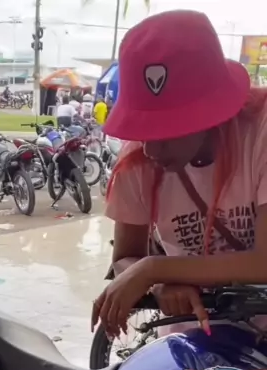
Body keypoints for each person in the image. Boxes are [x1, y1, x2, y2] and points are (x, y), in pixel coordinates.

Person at [92, 9, 267, 341]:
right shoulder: (136, 162)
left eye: (167, 129)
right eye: (144, 129)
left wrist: (154, 268)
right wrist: (159, 284)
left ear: (212, 111)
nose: (150, 149)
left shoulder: (260, 133)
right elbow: (125, 258)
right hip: (189, 340)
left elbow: (264, 262)